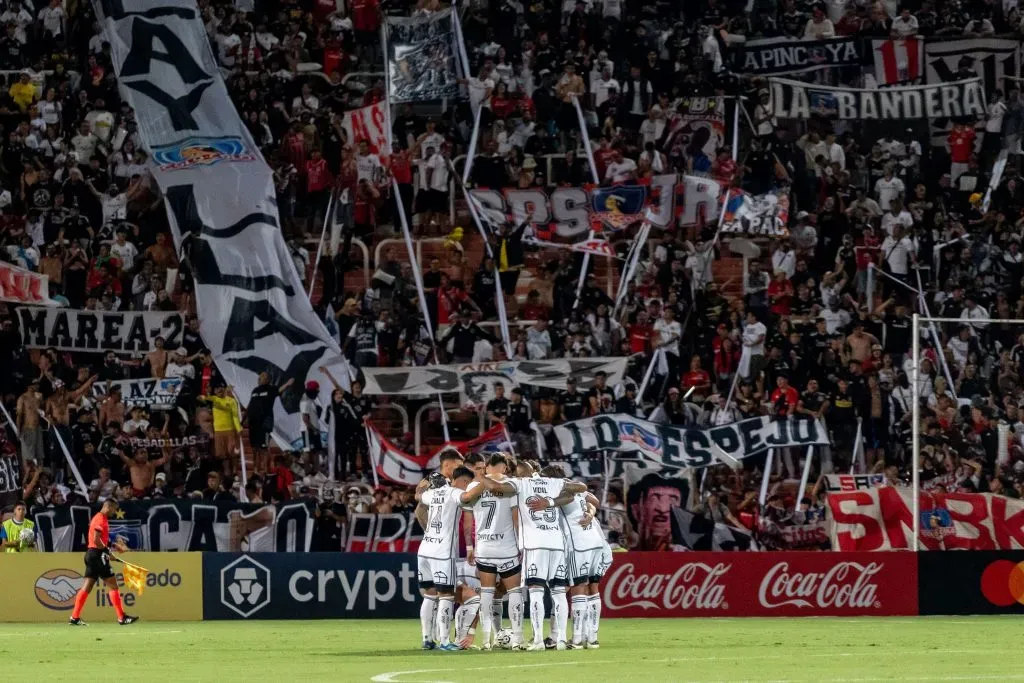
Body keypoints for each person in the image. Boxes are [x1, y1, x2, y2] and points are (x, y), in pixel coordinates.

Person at [482, 460, 587, 650]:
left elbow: (495, 486)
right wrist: (551, 502)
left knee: (536, 591)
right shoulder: (551, 482)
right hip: (557, 545)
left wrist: (480, 474)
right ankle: (561, 639)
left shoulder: (520, 483)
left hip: (535, 545)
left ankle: (538, 640)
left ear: (520, 473)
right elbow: (580, 487)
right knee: (558, 593)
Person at [531, 471, 611, 649]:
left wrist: (549, 503)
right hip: (597, 542)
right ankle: (591, 637)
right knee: (592, 587)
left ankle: (574, 639)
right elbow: (595, 502)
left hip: (578, 543)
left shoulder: (561, 489)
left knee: (576, 588)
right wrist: (590, 512)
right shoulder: (575, 488)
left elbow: (568, 499)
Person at [415, 466, 486, 650]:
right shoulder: (455, 493)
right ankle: (446, 641)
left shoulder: (433, 493)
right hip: (442, 553)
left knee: (430, 596)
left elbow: (418, 496)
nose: (469, 487)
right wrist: (484, 481)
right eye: (469, 483)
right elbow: (468, 497)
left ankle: (427, 639)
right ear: (463, 481)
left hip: (424, 549)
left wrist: (426, 482)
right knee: (445, 596)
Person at [463, 452, 525, 649]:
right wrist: (521, 545)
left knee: (487, 594)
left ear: (487, 466)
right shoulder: (511, 486)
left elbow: (467, 523)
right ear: (505, 467)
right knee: (515, 593)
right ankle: (517, 639)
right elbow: (516, 520)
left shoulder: (474, 485)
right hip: (507, 549)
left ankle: (486, 641)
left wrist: (470, 547)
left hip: (484, 548)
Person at [68, 498, 138, 625]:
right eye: (114, 509)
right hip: (97, 555)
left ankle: (74, 617)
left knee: (87, 586)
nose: (115, 512)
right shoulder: (100, 519)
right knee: (113, 585)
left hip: (91, 555)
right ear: (108, 507)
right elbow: (96, 540)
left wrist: (113, 546)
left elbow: (101, 540)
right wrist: (107, 551)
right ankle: (121, 617)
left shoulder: (100, 518)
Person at [246, 372, 295, 475]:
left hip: (265, 423)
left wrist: (287, 384)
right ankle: (255, 470)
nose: (260, 378)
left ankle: (265, 470)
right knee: (255, 448)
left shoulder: (271, 389)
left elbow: (279, 390)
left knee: (264, 448)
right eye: (260, 376)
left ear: (268, 379)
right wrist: (245, 417)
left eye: (264, 376)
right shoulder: (255, 390)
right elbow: (250, 405)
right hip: (254, 423)